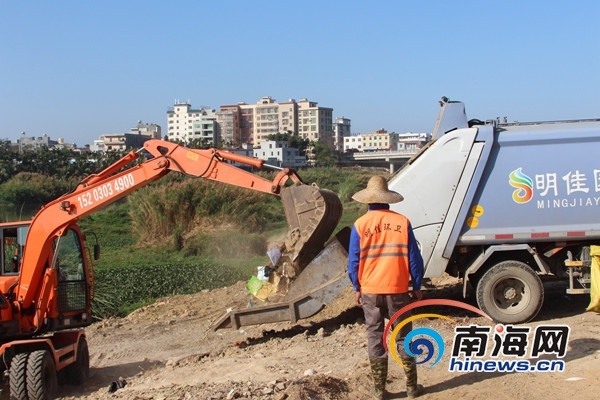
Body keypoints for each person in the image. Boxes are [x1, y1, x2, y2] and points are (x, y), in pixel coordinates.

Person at [348, 175, 425, 399]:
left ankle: (379, 390)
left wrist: (357, 287)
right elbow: (414, 258)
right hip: (398, 289)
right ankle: (411, 388)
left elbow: (353, 261)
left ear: (368, 201)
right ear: (388, 199)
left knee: (375, 337)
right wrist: (417, 284)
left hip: (371, 290)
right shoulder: (402, 222)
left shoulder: (360, 225)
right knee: (403, 337)